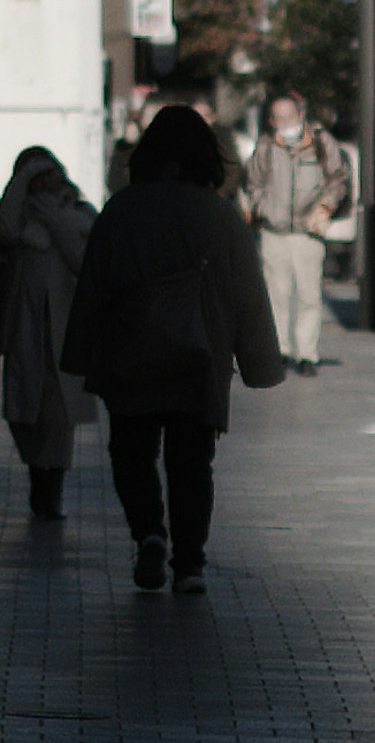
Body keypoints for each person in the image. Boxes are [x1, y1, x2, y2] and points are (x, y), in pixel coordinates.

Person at [61, 101, 283, 592]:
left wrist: (78, 354)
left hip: (130, 351)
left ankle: (148, 535)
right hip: (198, 353)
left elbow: (93, 286)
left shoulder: (121, 210)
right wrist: (260, 363)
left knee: (132, 453)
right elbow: (247, 292)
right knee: (191, 463)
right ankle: (190, 563)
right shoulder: (218, 215)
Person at [0, 145, 95, 521]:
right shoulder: (18, 219)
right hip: (24, 329)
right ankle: (39, 475)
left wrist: (55, 216)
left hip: (62, 331)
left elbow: (82, 255)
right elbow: (5, 226)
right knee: (23, 410)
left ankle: (49, 488)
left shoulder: (75, 213)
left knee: (57, 416)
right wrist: (20, 183)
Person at [244, 89, 350, 373]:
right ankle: (279, 350)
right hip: (274, 230)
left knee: (308, 294)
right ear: (271, 120)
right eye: (278, 118)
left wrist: (326, 205)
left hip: (308, 231)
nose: (285, 123)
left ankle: (307, 354)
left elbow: (338, 178)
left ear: (301, 115)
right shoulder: (266, 146)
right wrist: (262, 208)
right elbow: (253, 182)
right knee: (275, 294)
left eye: (289, 117)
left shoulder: (319, 142)